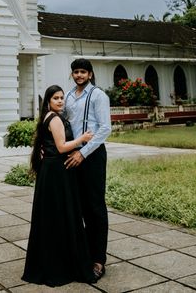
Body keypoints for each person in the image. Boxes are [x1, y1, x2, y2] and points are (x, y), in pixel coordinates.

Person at [22, 85, 96, 287]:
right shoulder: (54, 119)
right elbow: (62, 147)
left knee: (54, 217)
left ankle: (54, 262)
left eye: (62, 97)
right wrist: (82, 139)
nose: (61, 101)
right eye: (56, 98)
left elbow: (47, 144)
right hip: (57, 173)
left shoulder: (48, 117)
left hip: (52, 171)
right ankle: (62, 266)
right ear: (48, 101)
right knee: (63, 215)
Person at [64, 58, 111, 281]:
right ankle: (84, 254)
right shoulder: (68, 97)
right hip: (72, 155)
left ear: (90, 74)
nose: (79, 75)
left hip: (92, 156)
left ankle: (99, 260)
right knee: (78, 207)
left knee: (95, 208)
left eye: (83, 72)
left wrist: (83, 153)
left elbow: (105, 129)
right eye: (76, 72)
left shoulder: (98, 95)